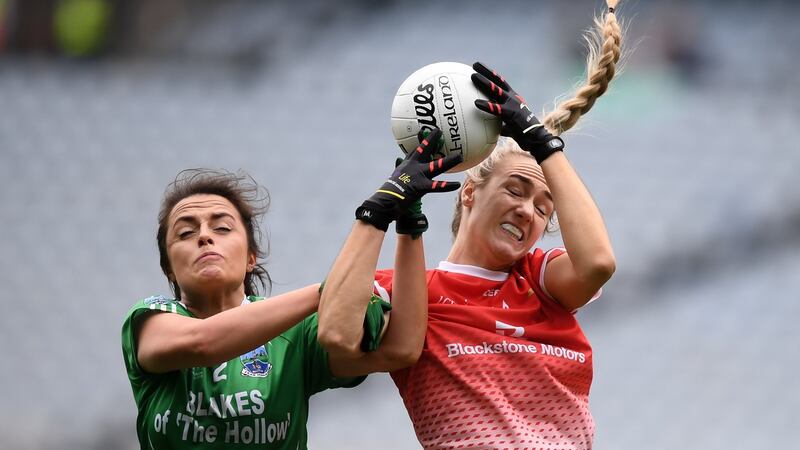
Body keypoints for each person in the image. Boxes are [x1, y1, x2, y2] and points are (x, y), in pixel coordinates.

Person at [318, 2, 623, 448]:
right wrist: (377, 213)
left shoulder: (540, 282)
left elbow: (598, 263)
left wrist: (541, 142)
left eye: (544, 209)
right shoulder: (408, 291)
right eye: (516, 190)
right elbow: (338, 339)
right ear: (470, 191)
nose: (527, 211)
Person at [120, 166, 455, 449]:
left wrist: (409, 228)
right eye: (185, 232)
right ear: (168, 268)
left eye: (222, 227)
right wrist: (333, 288)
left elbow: (401, 349)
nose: (205, 237)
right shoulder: (151, 318)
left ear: (251, 258)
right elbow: (203, 343)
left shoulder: (296, 334)